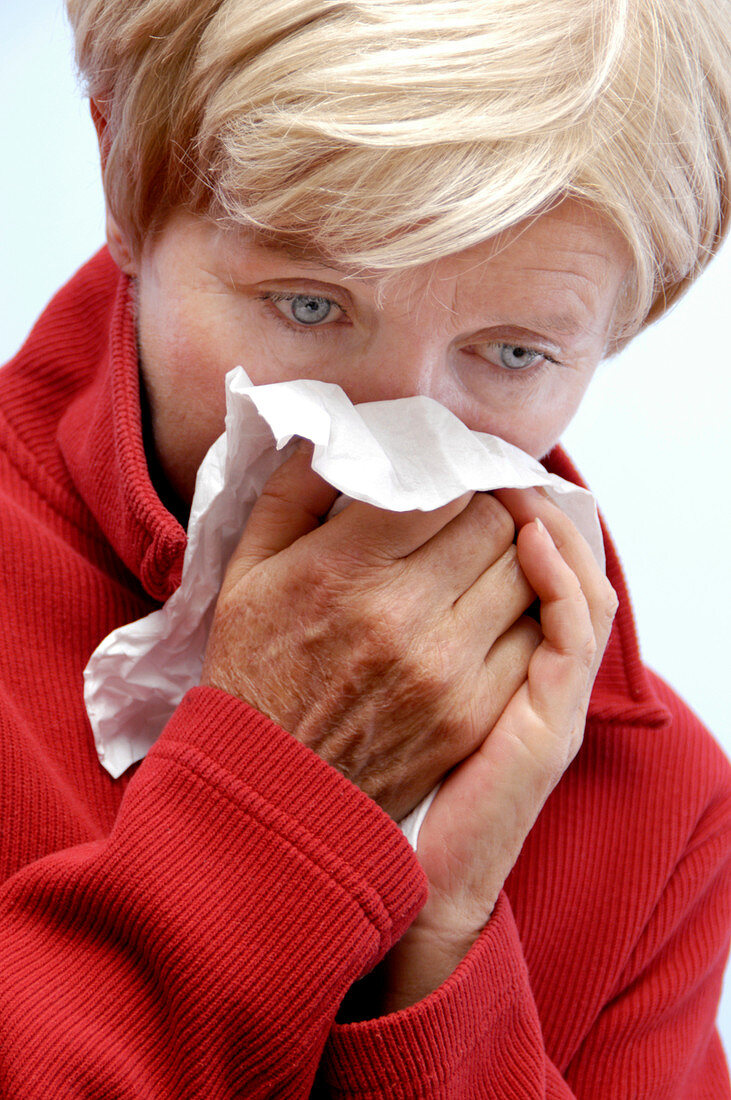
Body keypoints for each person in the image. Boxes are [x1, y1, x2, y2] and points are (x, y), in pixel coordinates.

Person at [0, 0, 729, 1095]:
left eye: (512, 352)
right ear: (122, 181)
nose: (381, 453)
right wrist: (272, 803)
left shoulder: (660, 804)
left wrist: (439, 954)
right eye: (307, 303)